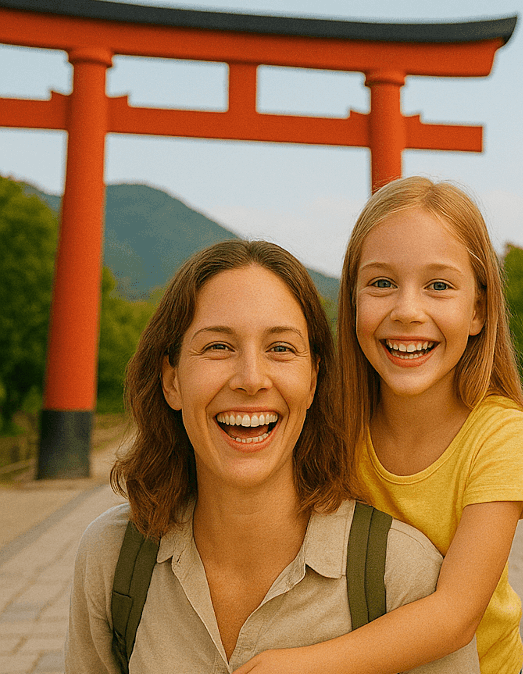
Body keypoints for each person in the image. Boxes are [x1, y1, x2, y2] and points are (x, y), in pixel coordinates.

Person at [65, 240, 478, 673]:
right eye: (218, 347)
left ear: (314, 379)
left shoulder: (401, 576)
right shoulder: (113, 558)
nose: (251, 379)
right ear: (172, 381)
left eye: (280, 348)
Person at [234, 177, 523, 674]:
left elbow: (456, 616)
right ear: (352, 300)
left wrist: (299, 666)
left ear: (478, 311)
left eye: (439, 286)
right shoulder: (333, 419)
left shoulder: (499, 433)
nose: (407, 311)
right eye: (381, 284)